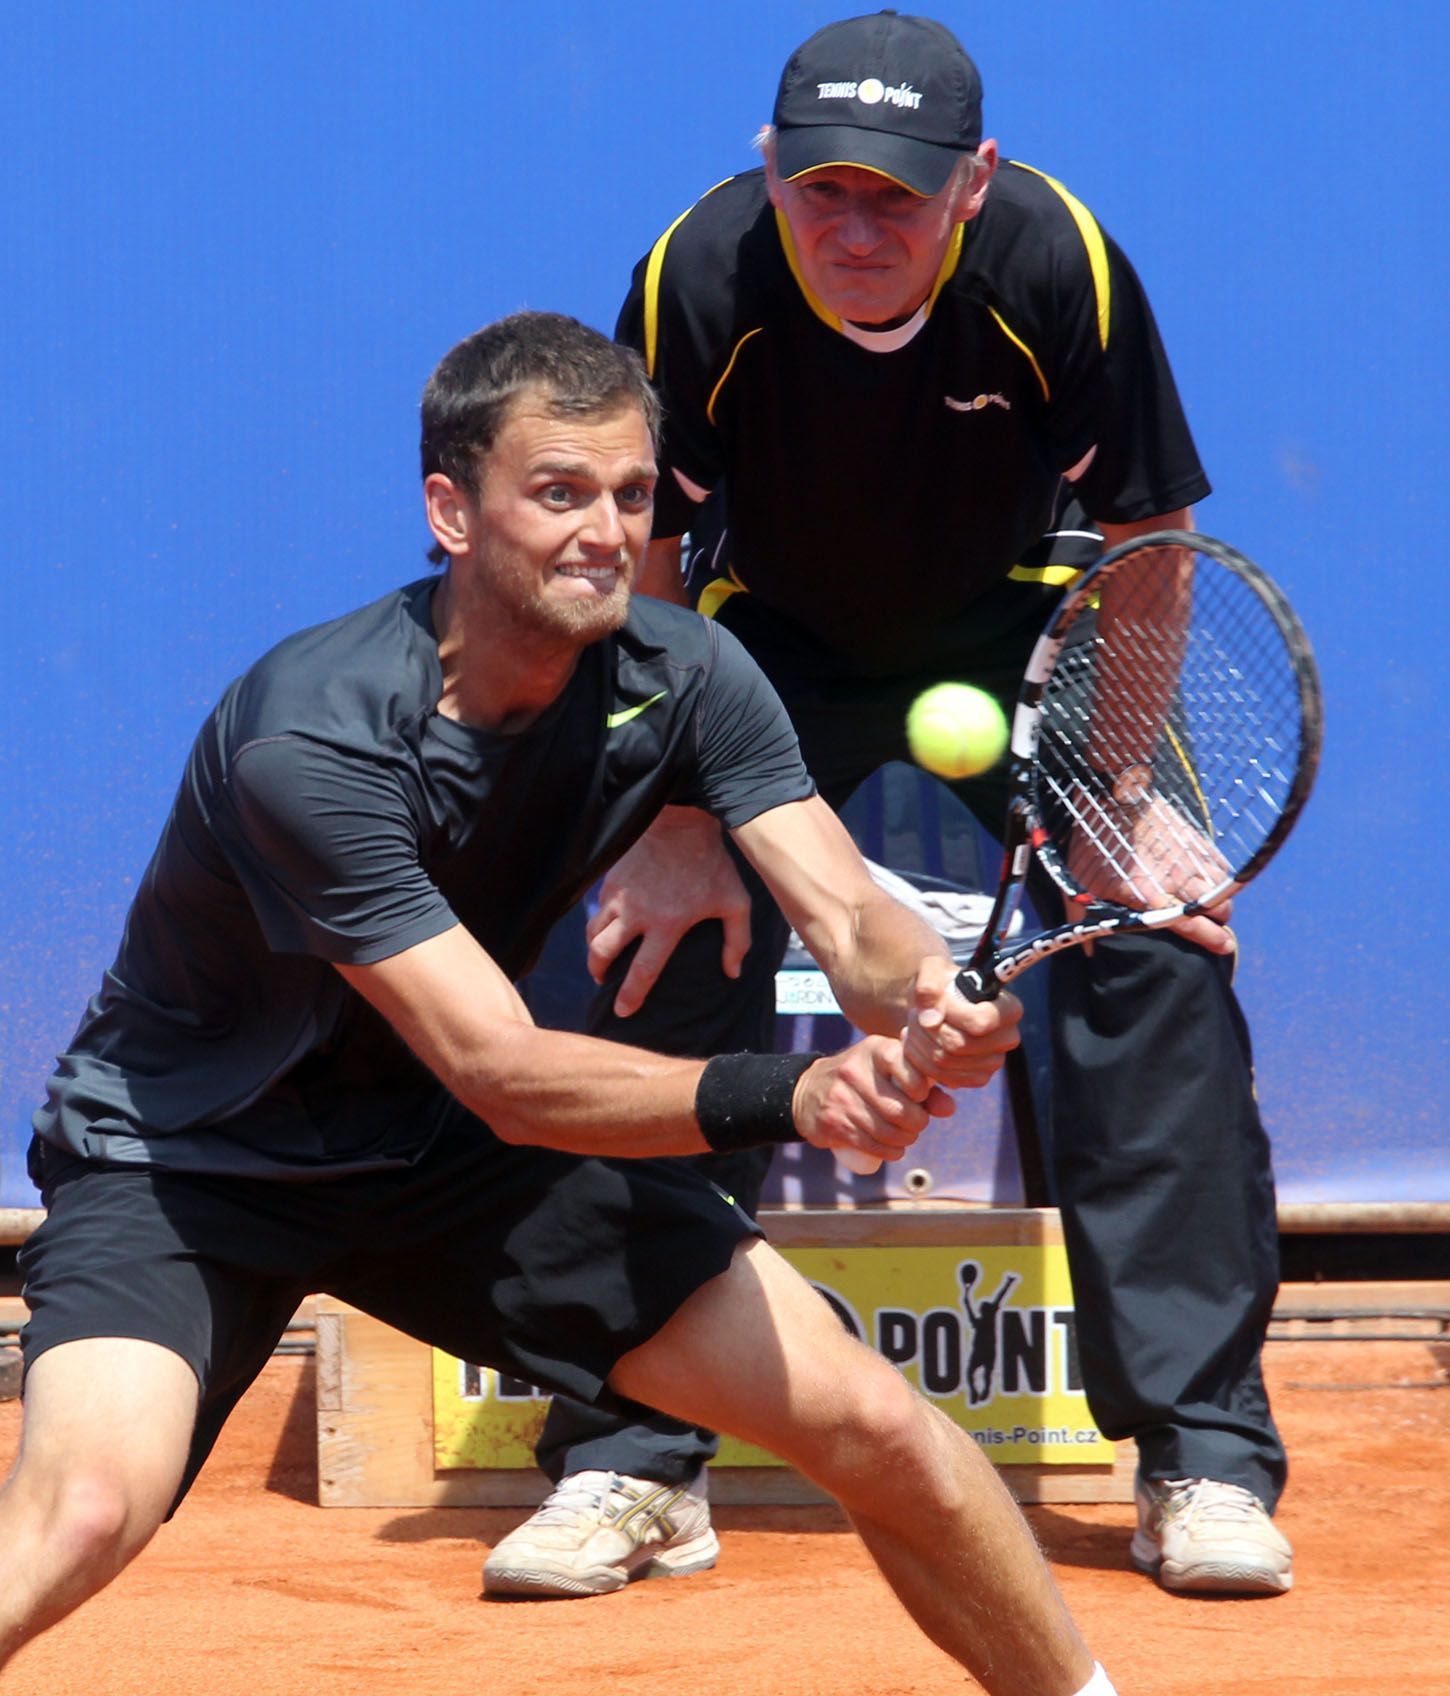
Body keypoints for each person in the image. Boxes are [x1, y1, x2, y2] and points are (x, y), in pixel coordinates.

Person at [2, 310, 1123, 1696]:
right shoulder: (315, 735)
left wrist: (920, 998)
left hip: (447, 1163)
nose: (604, 531)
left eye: (632, 495)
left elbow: (847, 916)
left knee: (874, 1425)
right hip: (189, 1158)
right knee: (85, 1510)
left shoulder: (687, 672)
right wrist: (797, 1094)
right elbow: (501, 1068)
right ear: (450, 511)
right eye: (558, 492)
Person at [488, 11, 1292, 1603]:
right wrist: (669, 818)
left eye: (898, 200)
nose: (856, 230)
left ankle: (1197, 1450)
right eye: (822, 194)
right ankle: (631, 1453)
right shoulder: (697, 277)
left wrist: (1117, 796)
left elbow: (1152, 531)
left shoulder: (1060, 264)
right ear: (769, 174)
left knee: (1149, 953)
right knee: (648, 953)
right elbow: (639, 558)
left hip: (1030, 635)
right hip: (759, 645)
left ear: (972, 186)